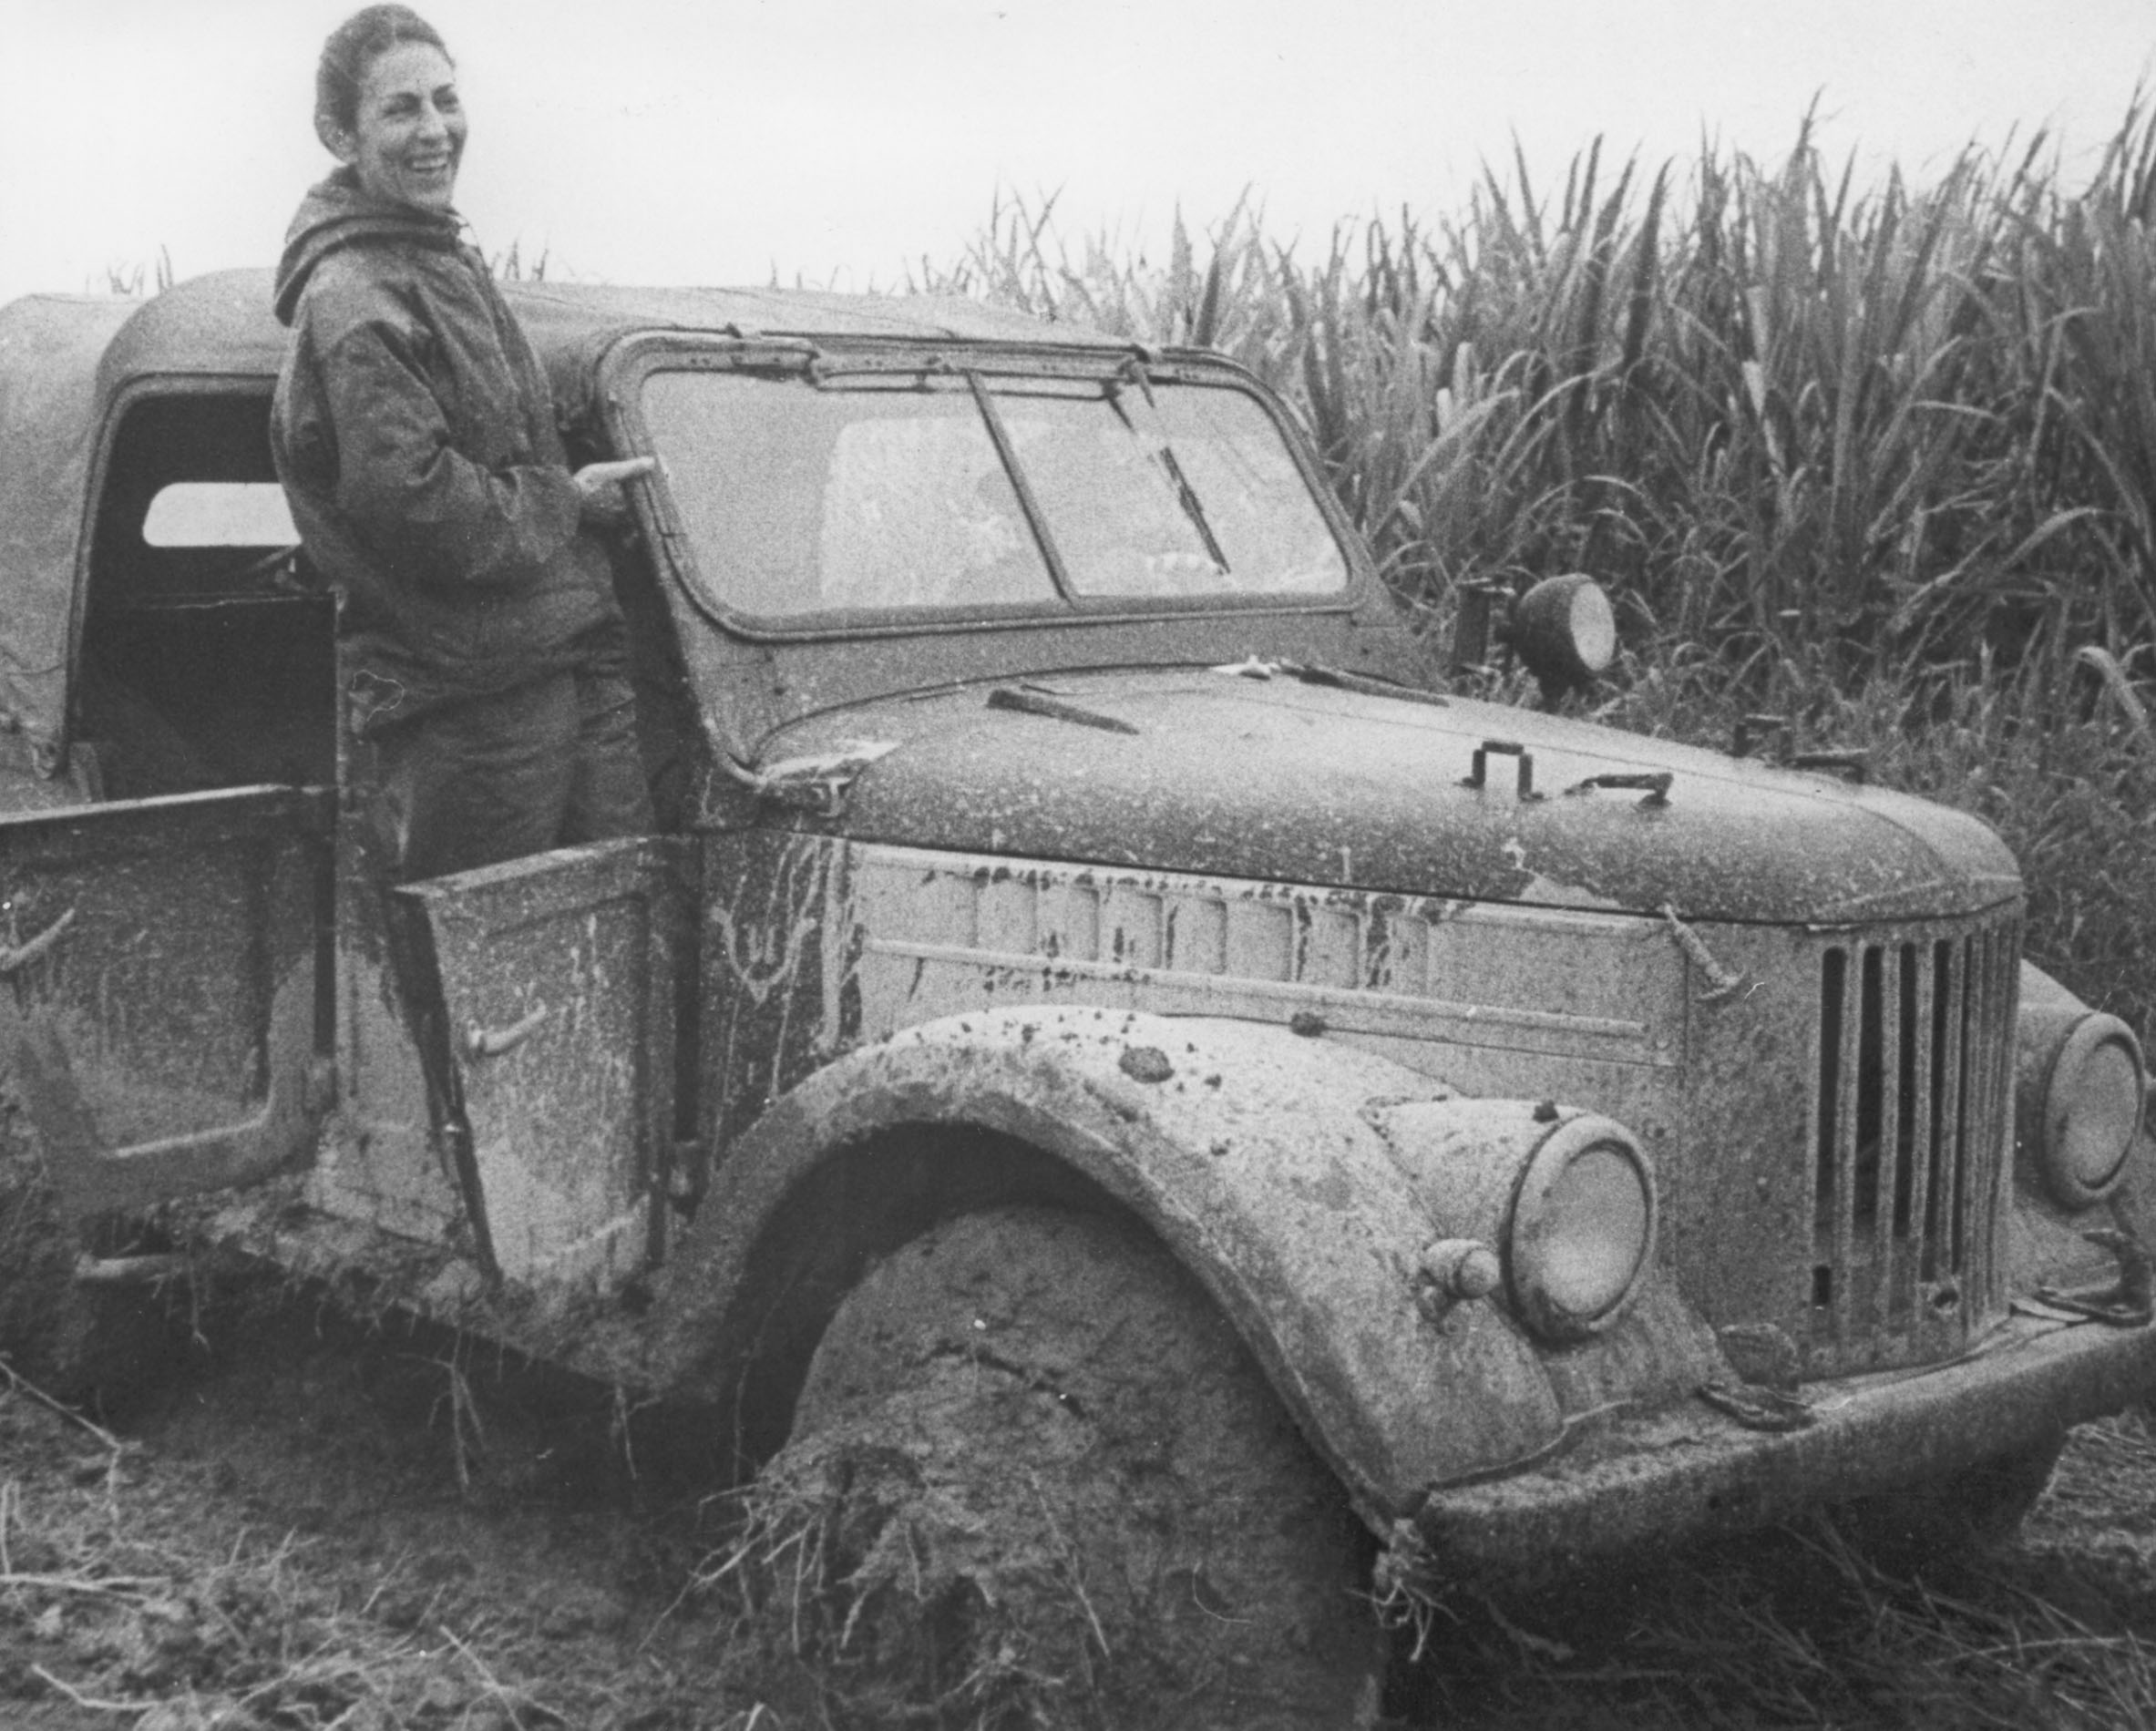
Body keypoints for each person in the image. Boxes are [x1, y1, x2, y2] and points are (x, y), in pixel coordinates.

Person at [271, 5, 653, 881]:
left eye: (446, 100)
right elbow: (414, 503)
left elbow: (501, 441)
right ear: (340, 134)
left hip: (557, 659)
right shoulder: (356, 297)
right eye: (400, 109)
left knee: (617, 918)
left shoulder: (435, 263)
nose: (435, 130)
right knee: (494, 942)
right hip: (474, 701)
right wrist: (569, 501)